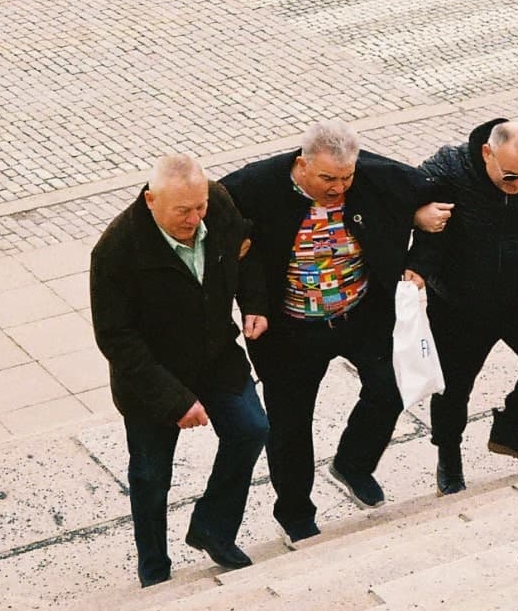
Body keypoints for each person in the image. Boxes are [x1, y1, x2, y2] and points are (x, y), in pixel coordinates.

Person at [221, 122, 450, 541]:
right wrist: (245, 286)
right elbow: (203, 209)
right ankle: (295, 514)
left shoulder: (374, 173)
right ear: (301, 164)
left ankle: (353, 463)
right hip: (290, 328)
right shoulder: (256, 184)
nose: (338, 188)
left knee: (391, 386)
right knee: (290, 426)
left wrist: (421, 258)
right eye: (327, 178)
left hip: (360, 313)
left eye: (346, 178)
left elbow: (442, 196)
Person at [90, 154, 269, 587]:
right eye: (183, 211)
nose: (195, 218)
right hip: (153, 376)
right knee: (151, 475)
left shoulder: (218, 205)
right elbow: (116, 338)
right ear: (151, 201)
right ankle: (154, 567)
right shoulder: (116, 250)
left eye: (199, 207)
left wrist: (255, 304)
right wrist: (175, 399)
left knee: (251, 429)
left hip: (214, 355)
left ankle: (213, 526)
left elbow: (245, 252)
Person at [410, 119, 518, 491]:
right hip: (458, 302)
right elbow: (395, 194)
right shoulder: (450, 167)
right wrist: (416, 214)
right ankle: (449, 456)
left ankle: (509, 427)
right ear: (487, 153)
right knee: (453, 390)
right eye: (510, 178)